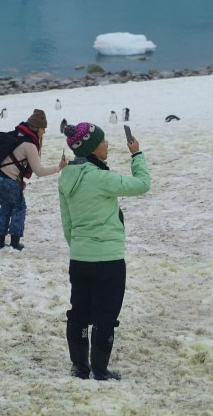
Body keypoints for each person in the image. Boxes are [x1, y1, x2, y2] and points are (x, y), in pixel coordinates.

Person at [58, 122, 149, 382]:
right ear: (91, 149)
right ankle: (99, 370)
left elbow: (67, 222)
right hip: (108, 259)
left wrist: (79, 247)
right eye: (103, 141)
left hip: (80, 258)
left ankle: (79, 367)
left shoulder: (65, 177)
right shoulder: (102, 178)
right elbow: (142, 184)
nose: (107, 144)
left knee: (78, 313)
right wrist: (136, 154)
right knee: (105, 316)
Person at [0, 109, 65, 252]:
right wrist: (58, 168)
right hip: (6, 180)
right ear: (37, 128)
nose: (44, 132)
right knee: (19, 206)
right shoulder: (30, 145)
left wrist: (18, 180)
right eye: (43, 128)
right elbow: (39, 171)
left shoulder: (15, 136)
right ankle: (15, 242)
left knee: (6, 206)